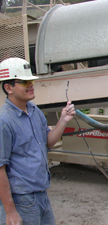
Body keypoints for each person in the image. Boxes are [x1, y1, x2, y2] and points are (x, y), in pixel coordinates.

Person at [0, 58, 76, 225]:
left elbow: (48, 143)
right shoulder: (4, 121)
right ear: (8, 88)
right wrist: (10, 211)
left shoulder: (35, 111)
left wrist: (63, 120)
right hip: (21, 199)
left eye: (31, 81)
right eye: (25, 81)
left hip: (41, 194)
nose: (31, 85)